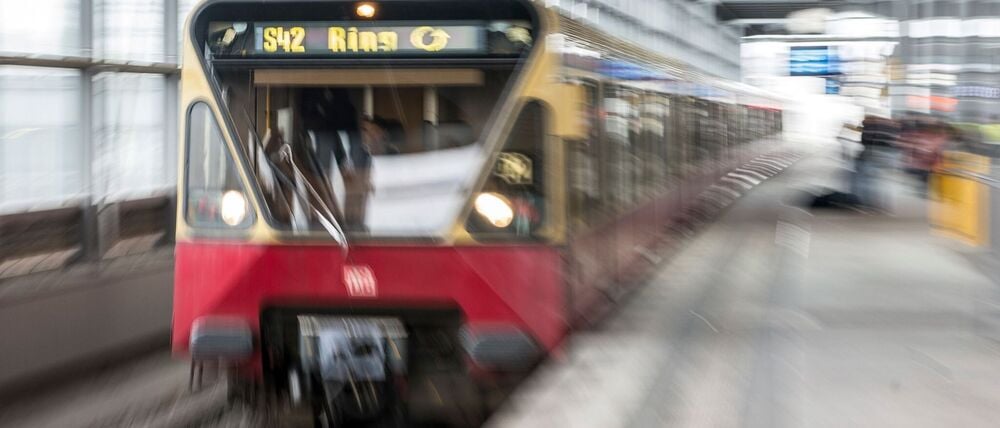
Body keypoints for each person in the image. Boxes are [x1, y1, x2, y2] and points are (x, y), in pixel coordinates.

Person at [852, 114, 900, 212]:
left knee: (867, 180)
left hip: (872, 154)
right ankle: (884, 206)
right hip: (889, 155)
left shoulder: (869, 127)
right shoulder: (889, 127)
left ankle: (868, 204)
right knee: (883, 181)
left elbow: (865, 141)